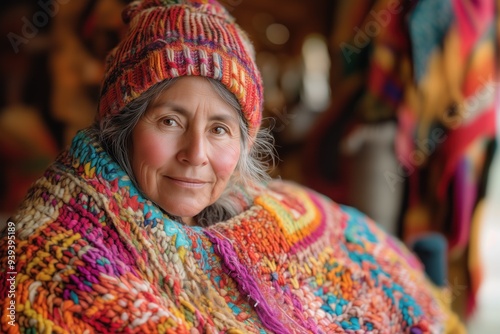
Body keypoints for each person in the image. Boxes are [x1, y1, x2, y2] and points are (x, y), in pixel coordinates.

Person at [0, 0, 464, 333]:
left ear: (244, 145)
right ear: (120, 128)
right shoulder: (42, 256)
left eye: (220, 129)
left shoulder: (280, 210)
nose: (196, 153)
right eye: (169, 120)